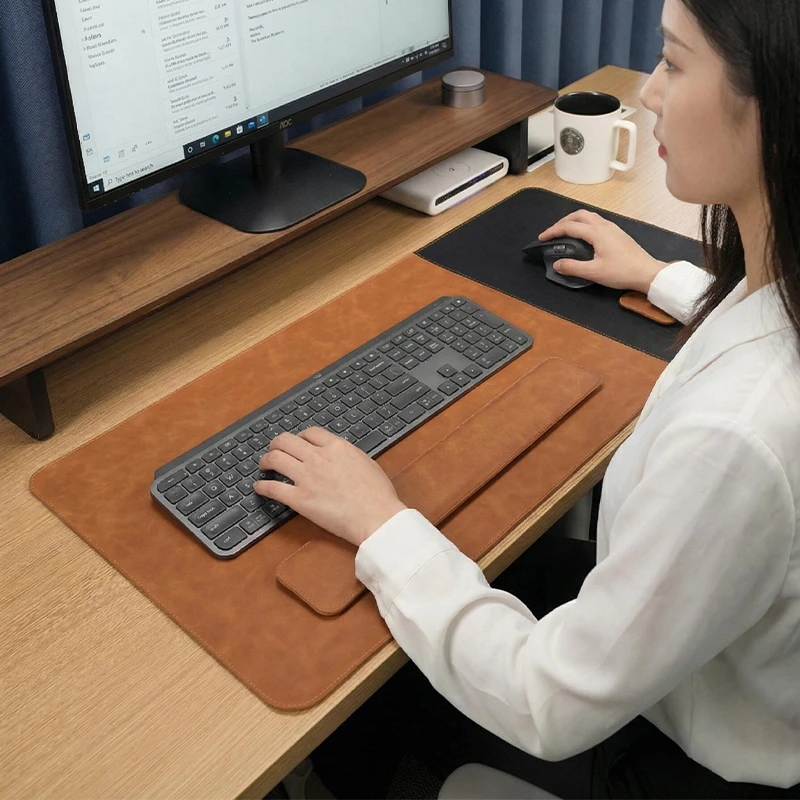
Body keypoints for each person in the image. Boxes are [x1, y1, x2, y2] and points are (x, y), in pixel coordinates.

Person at [255, 0, 800, 796]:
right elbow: (765, 331)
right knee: (508, 563)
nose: (649, 91)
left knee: (364, 700)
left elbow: (549, 703)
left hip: (674, 755)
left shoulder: (738, 435)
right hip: (719, 665)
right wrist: (659, 277)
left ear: (776, 102)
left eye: (674, 62)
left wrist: (378, 520)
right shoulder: (773, 298)